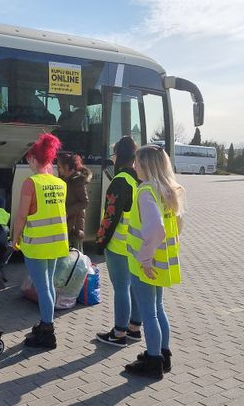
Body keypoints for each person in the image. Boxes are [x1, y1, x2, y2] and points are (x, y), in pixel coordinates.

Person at [124, 144, 185, 379]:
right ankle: (162, 354)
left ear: (146, 165)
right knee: (158, 309)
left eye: (137, 162)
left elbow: (156, 229)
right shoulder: (168, 189)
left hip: (146, 265)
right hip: (161, 261)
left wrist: (145, 259)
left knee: (149, 313)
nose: (133, 166)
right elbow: (177, 226)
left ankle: (152, 361)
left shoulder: (146, 191)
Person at [12, 133, 68, 349]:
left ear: (35, 159)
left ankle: (47, 331)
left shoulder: (31, 183)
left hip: (36, 245)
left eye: (28, 159)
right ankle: (47, 324)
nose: (28, 163)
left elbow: (22, 216)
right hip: (56, 243)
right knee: (49, 285)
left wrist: (14, 240)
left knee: (43, 287)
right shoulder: (59, 183)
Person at [96, 136, 142, 347]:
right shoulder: (139, 181)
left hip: (118, 244)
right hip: (135, 243)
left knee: (122, 288)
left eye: (114, 155)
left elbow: (110, 216)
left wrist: (100, 241)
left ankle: (119, 333)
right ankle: (134, 328)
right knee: (134, 287)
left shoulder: (120, 181)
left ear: (118, 156)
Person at [57, 152, 92, 252]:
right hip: (67, 225)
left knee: (76, 259)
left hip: (75, 228)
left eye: (59, 167)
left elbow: (85, 202)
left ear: (66, 167)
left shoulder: (77, 181)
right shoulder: (64, 179)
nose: (58, 169)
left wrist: (67, 211)